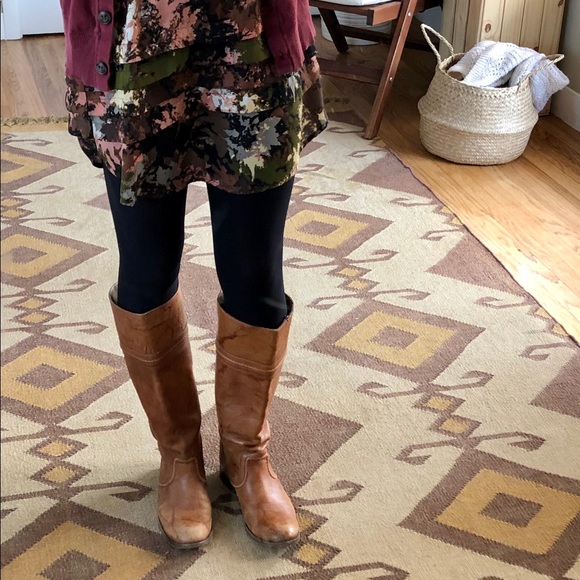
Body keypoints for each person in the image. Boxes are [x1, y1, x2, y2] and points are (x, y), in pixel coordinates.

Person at [59, 0, 327, 549]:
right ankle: (178, 454)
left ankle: (247, 454)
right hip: (134, 51)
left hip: (251, 48)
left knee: (256, 272)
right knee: (146, 269)